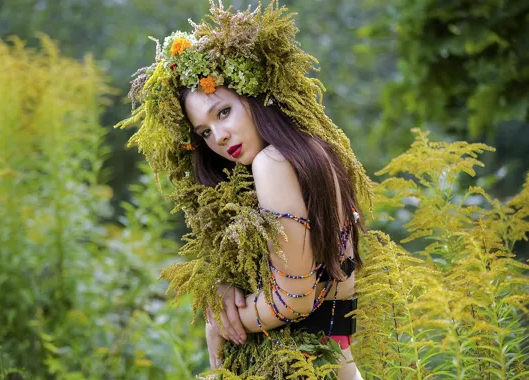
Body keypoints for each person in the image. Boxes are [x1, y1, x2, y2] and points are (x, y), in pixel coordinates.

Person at [116, 1, 373, 378]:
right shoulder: (314, 151)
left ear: (251, 97)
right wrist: (224, 286)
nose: (218, 136)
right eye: (204, 132)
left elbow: (296, 301)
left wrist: (221, 322)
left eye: (223, 112)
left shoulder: (272, 164)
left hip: (304, 367)